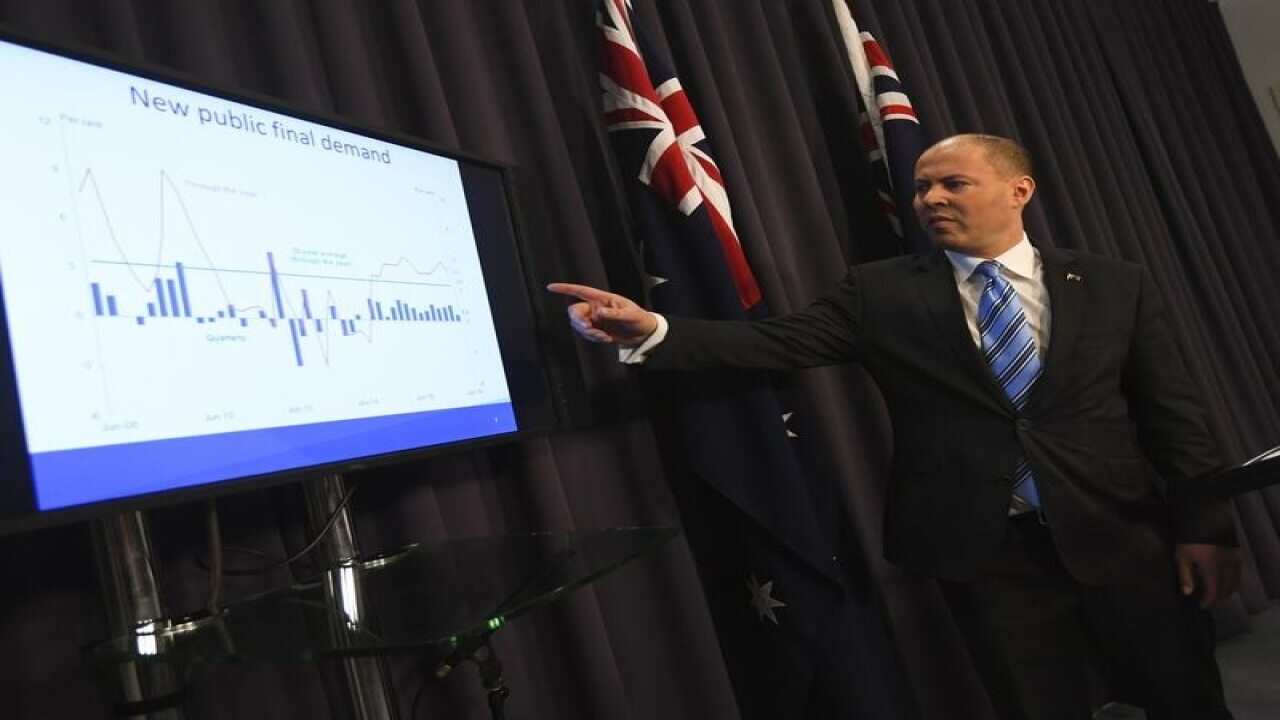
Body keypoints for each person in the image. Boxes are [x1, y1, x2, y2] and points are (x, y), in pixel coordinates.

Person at [549, 134, 1243, 720]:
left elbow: (1174, 416)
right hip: (985, 550)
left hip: (1123, 535)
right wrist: (652, 329)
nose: (931, 200)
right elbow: (774, 345)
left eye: (953, 184)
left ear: (1018, 191)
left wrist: (1205, 529)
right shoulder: (879, 291)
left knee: (1184, 698)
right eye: (921, 189)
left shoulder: (1115, 283)